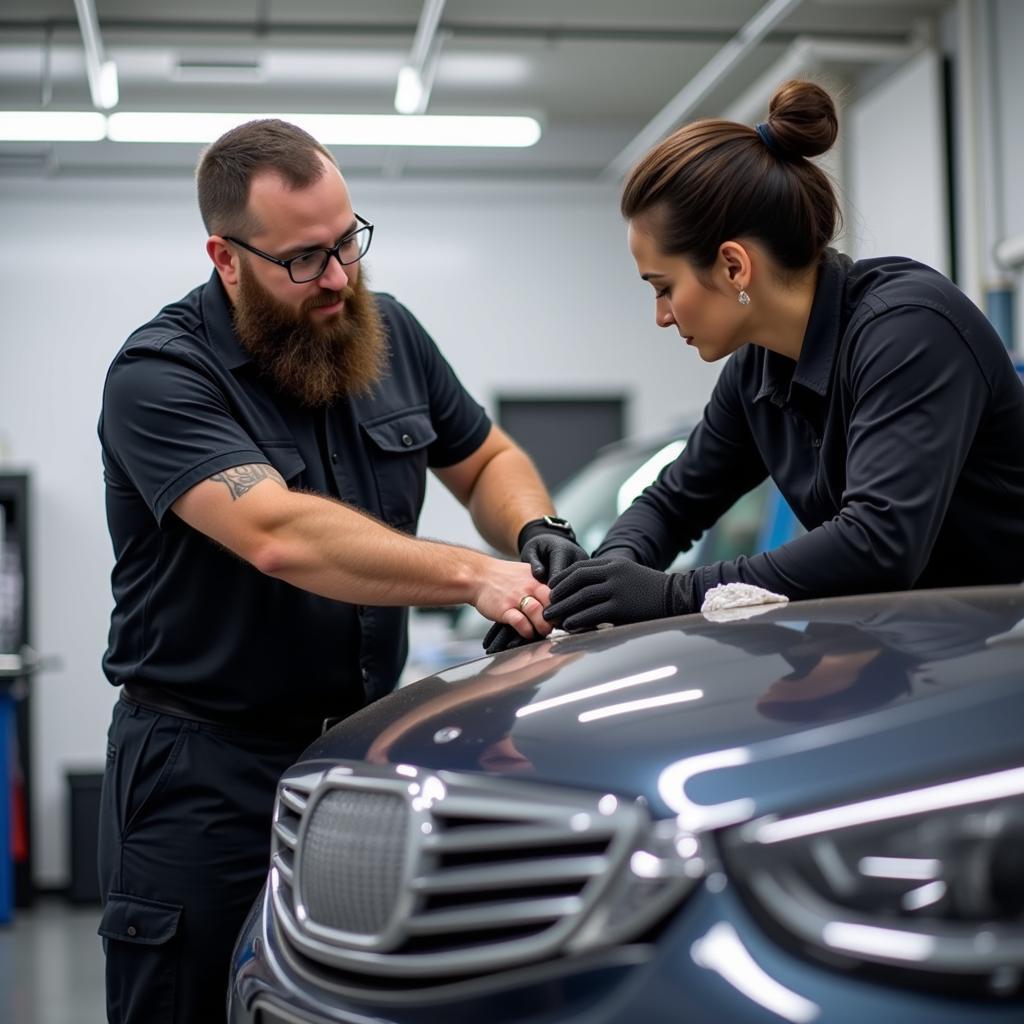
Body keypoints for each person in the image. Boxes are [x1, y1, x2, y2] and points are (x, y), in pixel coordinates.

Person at [95, 118, 574, 1022]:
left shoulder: (385, 330)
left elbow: (481, 457)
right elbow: (279, 533)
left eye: (348, 242)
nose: (340, 278)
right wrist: (475, 576)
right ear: (227, 257)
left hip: (354, 756)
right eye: (305, 259)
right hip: (202, 768)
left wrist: (535, 527)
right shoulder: (160, 375)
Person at [529, 79, 1024, 638]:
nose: (662, 316)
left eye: (663, 287)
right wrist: (591, 589)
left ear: (734, 266)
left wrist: (674, 594)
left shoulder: (909, 329)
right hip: (926, 656)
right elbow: (672, 503)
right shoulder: (759, 369)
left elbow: (878, 542)